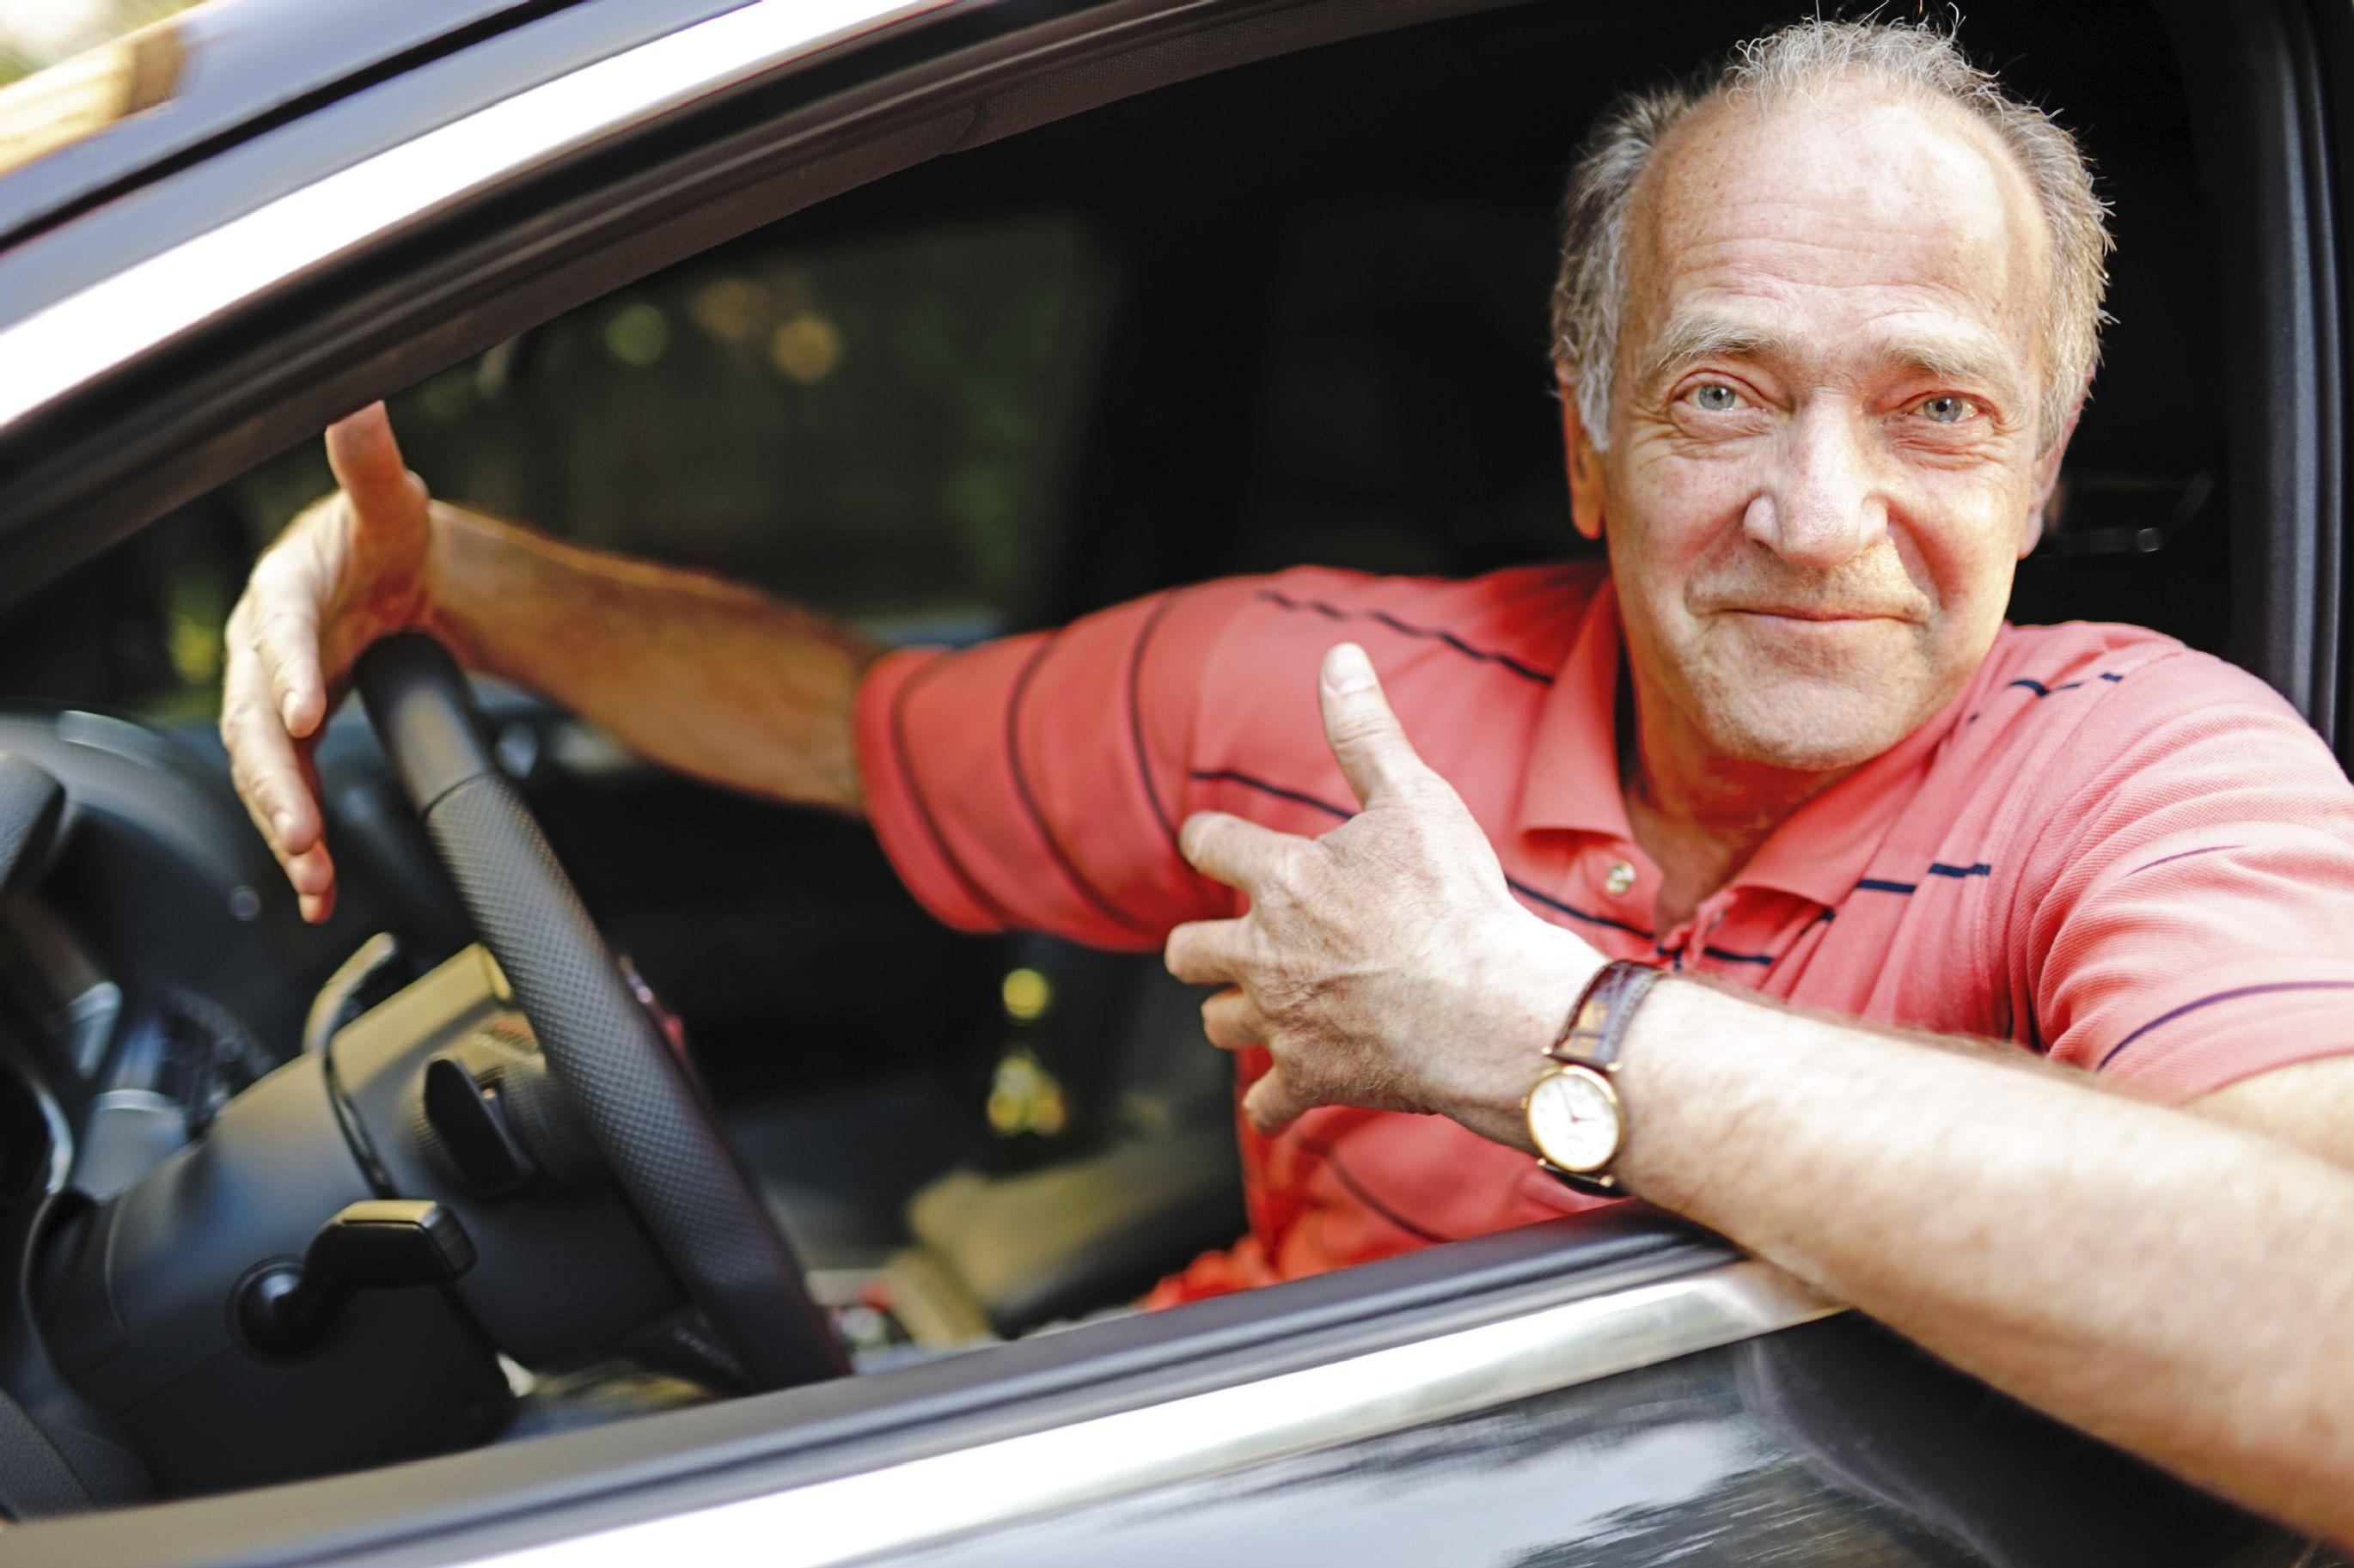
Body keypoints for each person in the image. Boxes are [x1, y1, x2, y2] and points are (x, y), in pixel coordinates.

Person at [219, 8, 2354, 1490]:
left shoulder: (2152, 772)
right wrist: (454, 577)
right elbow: (849, 725)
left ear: (2042, 473)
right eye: (1718, 394)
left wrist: (1544, 1029)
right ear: (1586, 444)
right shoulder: (1309, 691)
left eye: (1932, 409)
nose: (1812, 512)